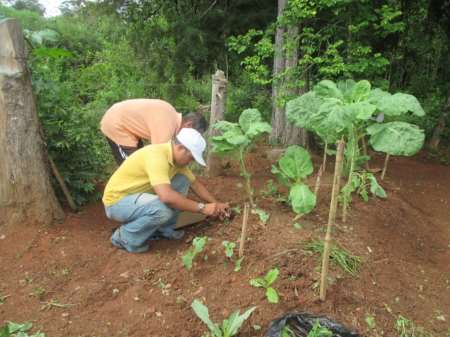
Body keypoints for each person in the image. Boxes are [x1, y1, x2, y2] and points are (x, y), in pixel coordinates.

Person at [103, 128, 229, 253]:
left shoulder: (177, 162)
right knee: (162, 209)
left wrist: (216, 204)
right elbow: (166, 197)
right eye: (191, 158)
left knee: (182, 180)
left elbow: (195, 184)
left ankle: (164, 229)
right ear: (180, 148)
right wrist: (203, 208)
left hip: (138, 197)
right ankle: (124, 238)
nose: (190, 162)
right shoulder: (156, 156)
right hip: (117, 202)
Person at [100, 99, 208, 164]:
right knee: (131, 165)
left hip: (129, 127)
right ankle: (124, 198)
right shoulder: (167, 125)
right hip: (116, 124)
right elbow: (157, 155)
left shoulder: (171, 117)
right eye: (193, 134)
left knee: (141, 161)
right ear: (188, 124)